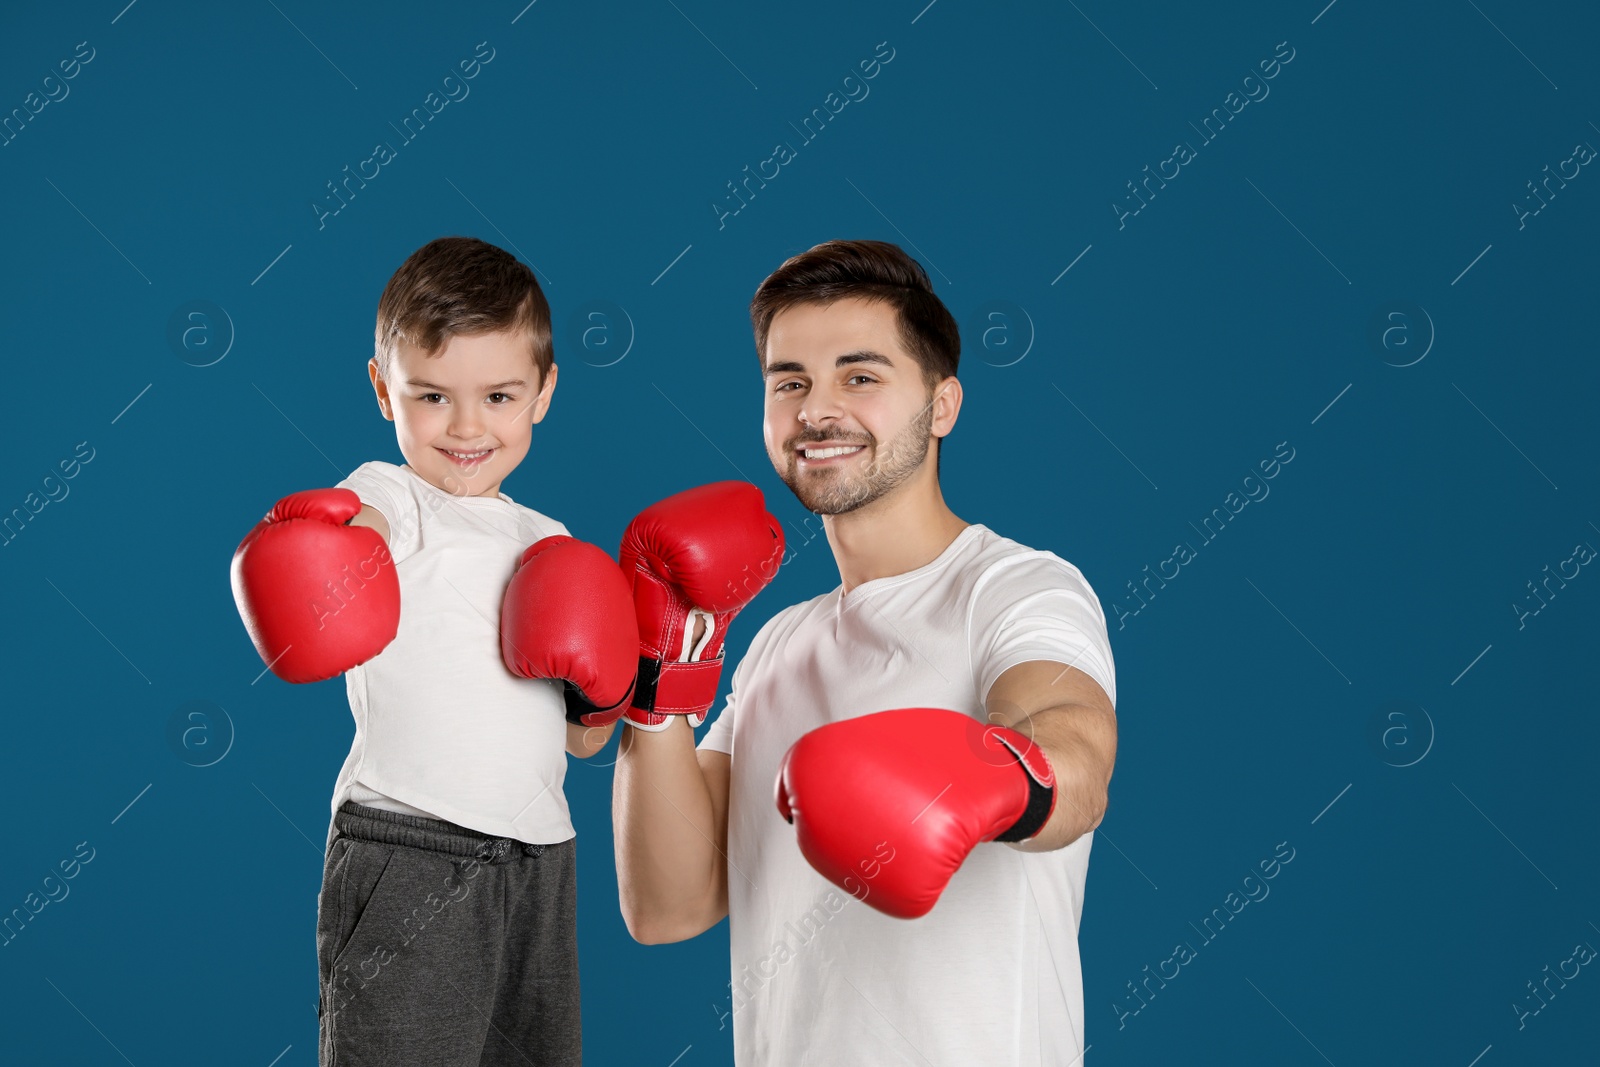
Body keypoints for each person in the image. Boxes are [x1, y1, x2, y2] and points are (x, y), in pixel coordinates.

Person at [612, 239, 1119, 1065]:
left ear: (943, 403)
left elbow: (1076, 747)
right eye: (790, 382)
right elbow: (667, 904)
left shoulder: (1016, 587)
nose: (817, 409)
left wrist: (996, 778)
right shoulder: (777, 642)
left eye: (861, 375)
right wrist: (662, 677)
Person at [230, 236, 640, 1066]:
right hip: (411, 849)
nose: (466, 427)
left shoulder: (549, 539)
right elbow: (360, 536)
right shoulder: (391, 491)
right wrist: (322, 559)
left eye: (498, 395)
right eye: (431, 395)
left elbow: (586, 738)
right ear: (384, 387)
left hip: (541, 859)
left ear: (544, 393)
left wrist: (606, 691)